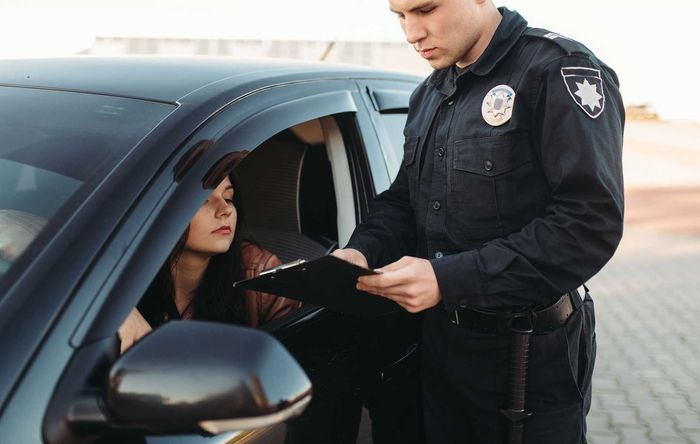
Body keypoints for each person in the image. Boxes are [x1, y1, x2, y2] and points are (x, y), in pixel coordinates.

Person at [333, 0, 624, 442]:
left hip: (527, 363)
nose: (412, 33)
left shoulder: (558, 71)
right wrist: (361, 250)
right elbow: (404, 202)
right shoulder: (430, 93)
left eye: (425, 10)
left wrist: (448, 279)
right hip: (440, 350)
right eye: (400, 16)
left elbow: (588, 225)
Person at [118, 173, 301, 353]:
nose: (225, 209)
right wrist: (122, 313)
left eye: (228, 198)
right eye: (203, 200)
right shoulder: (121, 274)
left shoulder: (262, 275)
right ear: (163, 211)